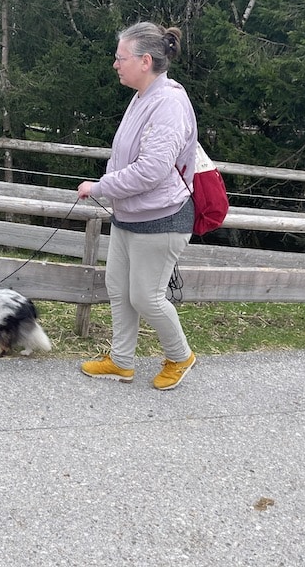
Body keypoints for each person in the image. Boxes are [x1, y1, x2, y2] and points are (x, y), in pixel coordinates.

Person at [77, 21, 197, 390]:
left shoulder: (169, 103)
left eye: (121, 58)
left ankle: (180, 356)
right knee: (118, 287)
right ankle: (121, 360)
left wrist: (101, 187)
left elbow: (152, 170)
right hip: (130, 215)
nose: (115, 64)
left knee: (146, 297)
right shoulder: (142, 96)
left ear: (145, 61)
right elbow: (127, 157)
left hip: (162, 219)